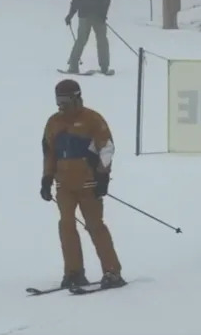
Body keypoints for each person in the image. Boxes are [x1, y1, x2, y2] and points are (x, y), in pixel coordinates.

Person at [40, 79, 125, 289]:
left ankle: (112, 271)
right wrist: (46, 178)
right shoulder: (53, 122)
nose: (61, 105)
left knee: (95, 226)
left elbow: (106, 148)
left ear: (77, 98)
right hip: (64, 186)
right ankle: (74, 272)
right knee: (66, 225)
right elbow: (49, 152)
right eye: (58, 100)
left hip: (89, 184)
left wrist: (103, 176)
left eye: (66, 100)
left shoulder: (92, 120)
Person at [63, 0, 111, 75]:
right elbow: (75, 2)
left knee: (101, 41)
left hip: (98, 17)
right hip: (85, 17)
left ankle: (104, 66)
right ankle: (73, 65)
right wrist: (70, 15)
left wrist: (103, 14)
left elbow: (106, 0)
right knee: (82, 41)